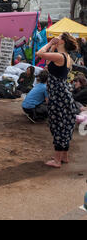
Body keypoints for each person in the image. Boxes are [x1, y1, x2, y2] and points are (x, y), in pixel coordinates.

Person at [36, 33, 78, 168]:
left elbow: (39, 54)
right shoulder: (66, 57)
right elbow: (48, 63)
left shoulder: (60, 56)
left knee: (58, 125)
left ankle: (57, 160)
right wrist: (54, 46)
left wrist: (48, 44)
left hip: (58, 95)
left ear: (63, 41)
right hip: (62, 94)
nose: (55, 38)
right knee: (64, 124)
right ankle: (64, 157)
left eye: (58, 37)